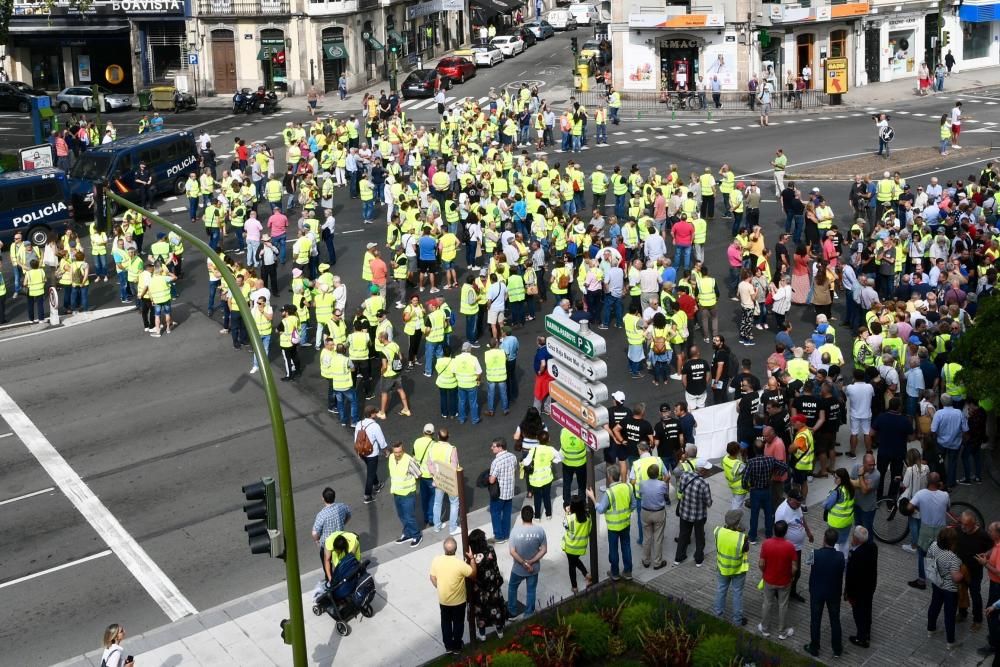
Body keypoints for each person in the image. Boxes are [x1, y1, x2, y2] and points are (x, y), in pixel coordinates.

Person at [429, 537, 477, 655]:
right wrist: (471, 559)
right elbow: (473, 574)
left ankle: (448, 646)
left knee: (445, 623)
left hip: (444, 600)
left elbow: (432, 577)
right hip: (459, 602)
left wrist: (438, 586)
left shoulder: (437, 560)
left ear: (444, 549)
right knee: (458, 624)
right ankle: (457, 647)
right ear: (456, 549)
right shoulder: (460, 564)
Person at [804, 528, 845, 658]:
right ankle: (837, 648)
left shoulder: (814, 553)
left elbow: (807, 562)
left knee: (815, 620)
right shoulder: (840, 557)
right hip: (833, 593)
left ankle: (814, 647)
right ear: (835, 542)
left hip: (817, 592)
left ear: (824, 539)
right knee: (835, 620)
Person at [587, 466, 634, 581]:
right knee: (626, 547)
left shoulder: (609, 492)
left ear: (610, 477)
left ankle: (615, 573)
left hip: (613, 526)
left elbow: (601, 510)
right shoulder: (628, 487)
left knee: (613, 550)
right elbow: (633, 505)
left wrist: (593, 498)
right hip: (626, 524)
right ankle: (628, 572)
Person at [907, 472, 950, 590]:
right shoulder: (945, 495)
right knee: (940, 555)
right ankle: (941, 579)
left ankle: (921, 581)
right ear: (939, 482)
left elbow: (909, 507)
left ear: (927, 481)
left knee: (922, 554)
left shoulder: (920, 494)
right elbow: (947, 508)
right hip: (941, 530)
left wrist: (918, 507)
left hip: (926, 529)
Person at [758, 519, 798, 639]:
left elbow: (761, 563)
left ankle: (764, 629)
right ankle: (782, 631)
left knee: (767, 603)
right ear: (786, 532)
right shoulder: (790, 547)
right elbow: (794, 567)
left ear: (774, 530)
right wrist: (791, 576)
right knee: (783, 605)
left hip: (769, 579)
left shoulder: (766, 544)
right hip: (784, 581)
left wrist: (765, 572)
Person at [926, 526, 964, 649]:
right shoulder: (953, 558)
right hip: (949, 589)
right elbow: (955, 578)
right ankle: (950, 642)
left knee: (934, 605)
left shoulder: (934, 545)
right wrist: (963, 574)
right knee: (949, 614)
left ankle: (930, 629)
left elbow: (929, 558)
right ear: (951, 542)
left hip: (937, 583)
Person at [507, 506, 547, 618]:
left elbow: (512, 552)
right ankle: (529, 613)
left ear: (521, 517)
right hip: (533, 568)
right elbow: (544, 550)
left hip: (518, 568)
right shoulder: (540, 531)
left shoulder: (514, 531)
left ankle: (512, 611)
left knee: (512, 587)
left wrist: (524, 563)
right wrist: (531, 562)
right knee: (531, 590)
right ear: (533, 516)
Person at [468, 528, 507, 639]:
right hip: (493, 585)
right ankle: (499, 631)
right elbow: (494, 564)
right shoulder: (490, 550)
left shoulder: (473, 558)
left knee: (481, 611)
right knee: (496, 607)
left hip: (479, 589)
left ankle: (482, 633)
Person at [955, 511, 992, 628]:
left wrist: (986, 554)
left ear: (974, 523)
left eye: (966, 525)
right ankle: (962, 613)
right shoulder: (959, 529)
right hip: (960, 567)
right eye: (962, 523)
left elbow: (993, 548)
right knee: (961, 591)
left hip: (974, 570)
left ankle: (977, 620)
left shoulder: (983, 535)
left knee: (975, 594)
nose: (963, 527)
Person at [673, 459, 714, 566]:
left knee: (683, 535)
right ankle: (698, 559)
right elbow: (708, 503)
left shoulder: (685, 476)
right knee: (699, 536)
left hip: (684, 512)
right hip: (698, 515)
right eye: (707, 469)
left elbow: (681, 490)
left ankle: (678, 557)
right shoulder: (704, 484)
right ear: (703, 471)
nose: (709, 471)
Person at [713, 509, 750, 626]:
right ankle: (737, 620)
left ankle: (717, 615)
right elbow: (746, 549)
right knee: (737, 594)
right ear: (738, 522)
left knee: (721, 590)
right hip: (738, 570)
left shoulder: (717, 531)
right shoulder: (742, 537)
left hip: (722, 567)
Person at [844, 525, 878, 648]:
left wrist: (848, 593)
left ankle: (861, 637)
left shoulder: (856, 554)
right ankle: (867, 633)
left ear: (857, 540)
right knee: (867, 610)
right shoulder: (873, 547)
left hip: (858, 591)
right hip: (870, 586)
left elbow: (851, 576)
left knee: (858, 613)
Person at [387, 441, 423, 547]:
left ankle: (417, 535)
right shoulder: (391, 457)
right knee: (401, 515)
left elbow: (418, 474)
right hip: (396, 492)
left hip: (407, 493)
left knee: (409, 516)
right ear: (393, 451)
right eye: (396, 452)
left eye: (400, 452)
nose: (398, 454)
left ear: (403, 450)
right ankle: (408, 534)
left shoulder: (409, 460)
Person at [429, 429, 461, 536]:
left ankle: (437, 526)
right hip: (449, 480)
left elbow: (430, 464)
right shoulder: (451, 449)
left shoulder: (432, 447)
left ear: (438, 436)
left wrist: (435, 475)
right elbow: (454, 466)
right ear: (449, 436)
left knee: (437, 503)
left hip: (438, 479)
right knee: (454, 502)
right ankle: (452, 528)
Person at [638, 462, 670, 569]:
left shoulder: (642, 484)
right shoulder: (662, 485)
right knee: (658, 538)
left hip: (645, 512)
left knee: (647, 538)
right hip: (658, 513)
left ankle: (646, 561)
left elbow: (640, 493)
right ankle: (657, 562)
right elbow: (665, 494)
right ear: (657, 474)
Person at [976, 521, 1000, 658]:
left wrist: (986, 564)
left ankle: (994, 643)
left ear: (998, 533)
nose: (988, 532)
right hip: (994, 584)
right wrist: (987, 553)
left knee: (991, 612)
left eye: (991, 531)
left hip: (997, 586)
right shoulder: (997, 544)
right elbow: (994, 548)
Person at [355, 406, 387, 504]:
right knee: (370, 474)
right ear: (372, 414)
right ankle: (367, 495)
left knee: (371, 469)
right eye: (375, 413)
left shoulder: (358, 424)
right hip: (372, 453)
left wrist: (358, 452)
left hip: (362, 452)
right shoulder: (375, 426)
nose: (376, 414)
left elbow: (356, 439)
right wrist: (386, 451)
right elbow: (381, 441)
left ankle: (376, 484)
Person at [311, 487, 351, 565]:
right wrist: (343, 523)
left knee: (327, 564)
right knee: (341, 564)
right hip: (340, 542)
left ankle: (329, 576)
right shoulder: (342, 506)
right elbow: (349, 514)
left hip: (327, 546)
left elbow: (314, 533)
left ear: (323, 498)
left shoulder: (321, 515)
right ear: (334, 497)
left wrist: (317, 540)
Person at [488, 437, 518, 543]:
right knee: (506, 513)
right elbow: (514, 469)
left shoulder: (496, 461)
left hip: (499, 493)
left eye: (494, 446)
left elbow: (492, 480)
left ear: (500, 447)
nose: (492, 448)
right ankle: (506, 534)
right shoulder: (513, 457)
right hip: (509, 491)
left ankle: (499, 536)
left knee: (495, 512)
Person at [562, 495, 593, 593]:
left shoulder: (570, 518)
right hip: (581, 546)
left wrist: (567, 513)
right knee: (575, 561)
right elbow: (589, 529)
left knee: (572, 566)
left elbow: (565, 525)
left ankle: (574, 587)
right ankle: (587, 575)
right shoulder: (588, 517)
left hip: (570, 546)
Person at [824, 468, 856, 555]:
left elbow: (826, 505)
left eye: (836, 478)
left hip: (836, 523)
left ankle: (836, 560)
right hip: (847, 522)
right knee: (844, 541)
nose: (835, 479)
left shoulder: (837, 492)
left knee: (835, 543)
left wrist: (828, 496)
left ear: (842, 479)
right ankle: (844, 560)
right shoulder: (851, 488)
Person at [850, 454, 880, 539]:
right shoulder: (856, 467)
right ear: (863, 463)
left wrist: (860, 476)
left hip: (868, 508)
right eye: (870, 465)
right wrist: (862, 484)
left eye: (873, 464)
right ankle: (858, 545)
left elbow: (864, 491)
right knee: (857, 526)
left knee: (867, 530)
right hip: (856, 504)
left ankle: (868, 547)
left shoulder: (876, 475)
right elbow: (849, 482)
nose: (872, 467)